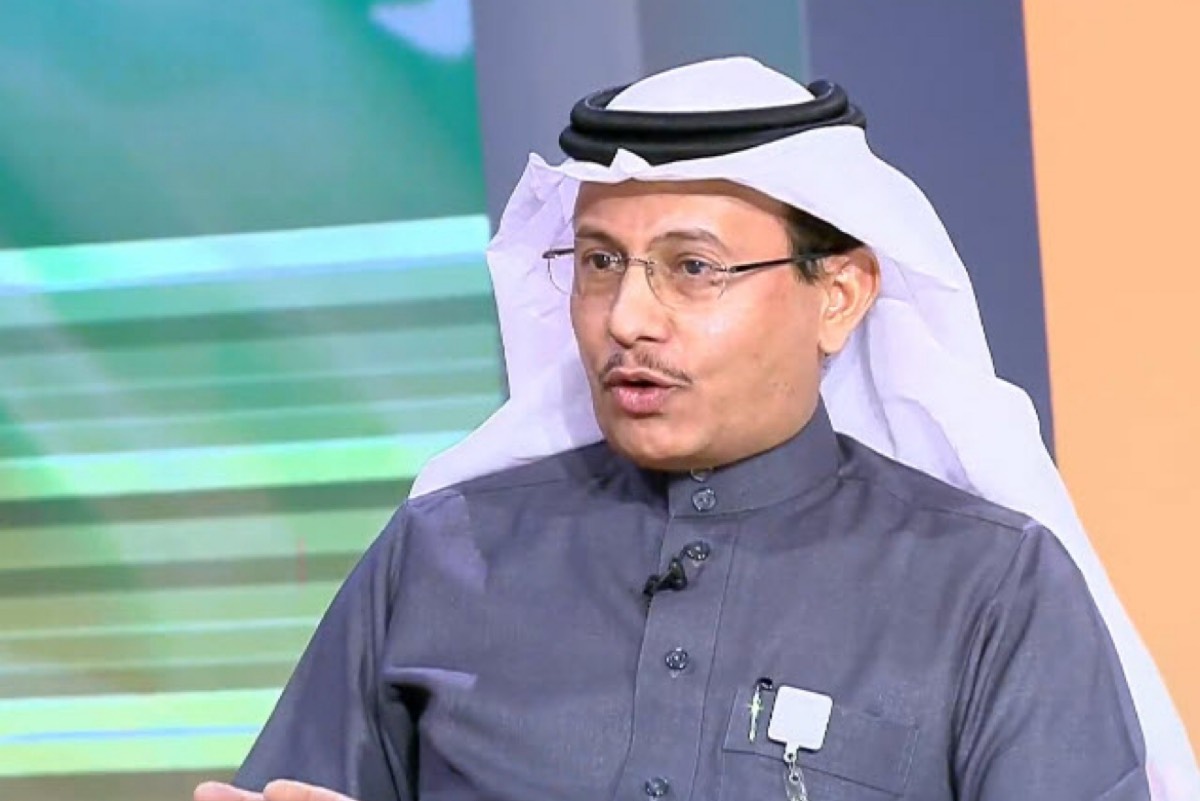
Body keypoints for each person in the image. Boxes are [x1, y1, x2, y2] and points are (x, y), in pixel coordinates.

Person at [196, 58, 1198, 801]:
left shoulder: (991, 590)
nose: (628, 318)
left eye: (693, 268)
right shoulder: (440, 552)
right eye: (599, 262)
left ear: (839, 294)